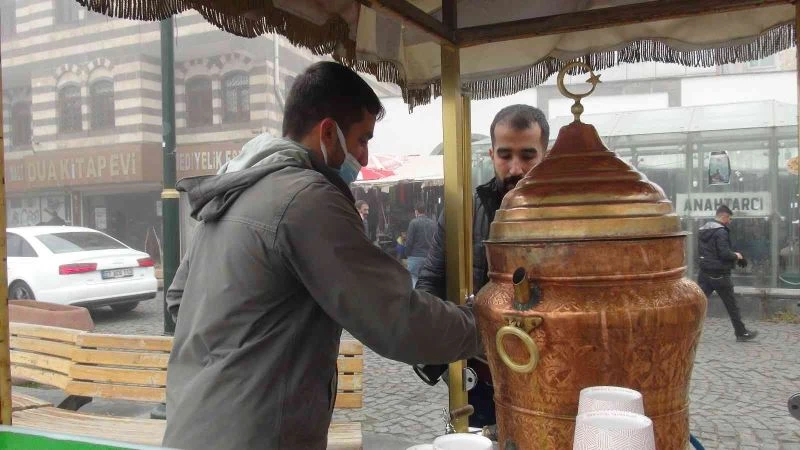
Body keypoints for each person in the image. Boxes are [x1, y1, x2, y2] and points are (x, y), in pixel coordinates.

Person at [162, 62, 482, 450]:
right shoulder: (307, 198)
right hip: (257, 434)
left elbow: (178, 300)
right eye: (362, 139)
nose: (365, 157)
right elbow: (396, 318)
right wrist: (484, 328)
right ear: (328, 133)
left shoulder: (235, 186)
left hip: (192, 424)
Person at [415, 104, 549, 428]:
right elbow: (432, 280)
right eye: (505, 155)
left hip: (550, 369)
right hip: (481, 372)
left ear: (545, 154)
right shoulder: (463, 211)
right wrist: (434, 354)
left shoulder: (567, 214)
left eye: (527, 155)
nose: (515, 168)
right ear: (491, 155)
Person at [697, 204, 758, 342]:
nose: (729, 222)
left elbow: (708, 252)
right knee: (732, 306)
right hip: (720, 274)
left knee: (698, 304)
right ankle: (741, 333)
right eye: (729, 218)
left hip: (705, 272)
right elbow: (724, 253)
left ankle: (686, 331)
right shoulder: (721, 232)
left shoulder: (703, 230)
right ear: (724, 216)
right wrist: (737, 256)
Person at [405, 201, 436, 286]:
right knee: (426, 282)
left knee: (413, 279)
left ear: (416, 211)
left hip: (415, 257)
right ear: (425, 211)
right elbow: (435, 241)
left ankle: (416, 295)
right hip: (428, 258)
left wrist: (407, 254)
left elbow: (409, 241)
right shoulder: (433, 223)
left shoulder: (413, 223)